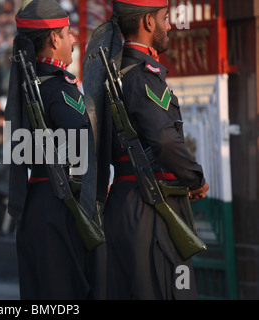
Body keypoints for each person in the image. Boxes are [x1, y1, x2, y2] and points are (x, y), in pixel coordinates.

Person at [86, 0, 210, 299]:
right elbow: (165, 140)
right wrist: (194, 179)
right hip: (151, 204)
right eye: (165, 18)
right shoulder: (141, 75)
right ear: (148, 23)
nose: (169, 26)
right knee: (168, 290)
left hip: (130, 200)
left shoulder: (119, 72)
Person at [5, 0, 105, 300]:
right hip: (61, 208)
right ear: (53, 39)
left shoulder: (27, 88)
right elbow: (79, 147)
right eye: (68, 32)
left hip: (34, 203)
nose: (73, 39)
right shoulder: (59, 89)